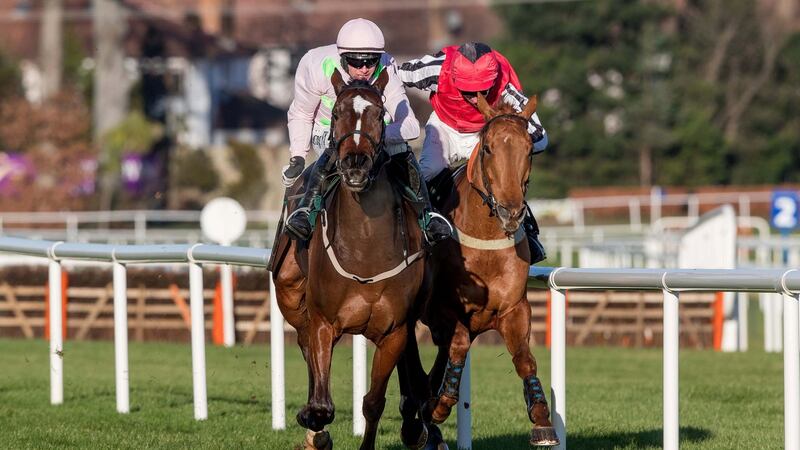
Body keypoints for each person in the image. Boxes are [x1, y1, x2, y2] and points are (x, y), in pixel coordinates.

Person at [281, 18, 452, 244]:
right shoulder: (316, 65)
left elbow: (409, 124)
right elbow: (302, 114)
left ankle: (426, 214)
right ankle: (306, 211)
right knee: (335, 149)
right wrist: (298, 157)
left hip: (372, 133)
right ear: (342, 58)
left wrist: (371, 137)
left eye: (371, 61)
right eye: (356, 62)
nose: (364, 69)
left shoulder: (387, 68)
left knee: (401, 147)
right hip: (329, 128)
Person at [398, 42, 548, 263]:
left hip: (483, 134)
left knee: (504, 177)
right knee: (429, 170)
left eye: (481, 91)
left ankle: (529, 233)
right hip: (445, 128)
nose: (472, 97)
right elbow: (396, 73)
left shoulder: (505, 83)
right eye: (466, 90)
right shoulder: (439, 68)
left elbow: (541, 136)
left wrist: (512, 146)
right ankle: (415, 229)